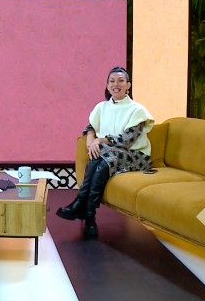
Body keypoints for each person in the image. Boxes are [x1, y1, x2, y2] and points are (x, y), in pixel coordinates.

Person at [56, 66, 154, 237]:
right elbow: (91, 127)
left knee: (103, 154)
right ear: (107, 86)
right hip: (109, 154)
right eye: (112, 81)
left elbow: (127, 139)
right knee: (99, 157)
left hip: (136, 156)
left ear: (128, 85)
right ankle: (88, 213)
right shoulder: (102, 107)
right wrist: (90, 138)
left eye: (121, 81)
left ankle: (82, 206)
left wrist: (100, 140)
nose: (116, 84)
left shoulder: (137, 110)